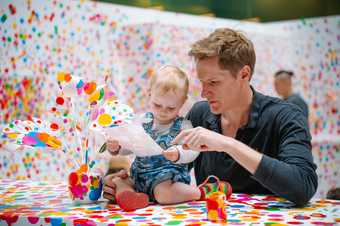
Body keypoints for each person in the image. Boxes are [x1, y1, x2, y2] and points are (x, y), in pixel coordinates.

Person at [104, 28, 317, 207]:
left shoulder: (286, 116)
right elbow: (172, 169)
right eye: (202, 82)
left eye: (213, 83)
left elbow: (302, 187)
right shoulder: (200, 114)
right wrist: (128, 181)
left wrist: (227, 144)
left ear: (244, 74)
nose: (204, 93)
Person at [103, 65, 232, 211]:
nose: (163, 112)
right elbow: (131, 145)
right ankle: (131, 197)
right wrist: (118, 147)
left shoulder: (183, 126)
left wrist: (178, 153)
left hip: (167, 179)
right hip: (139, 176)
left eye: (171, 108)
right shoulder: (142, 121)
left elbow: (192, 151)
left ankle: (202, 192)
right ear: (149, 94)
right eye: (157, 105)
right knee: (119, 180)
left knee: (164, 195)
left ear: (182, 103)